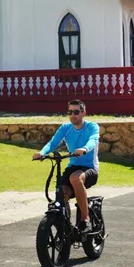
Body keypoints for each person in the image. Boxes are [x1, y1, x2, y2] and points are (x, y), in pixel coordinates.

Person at [32, 99, 100, 232]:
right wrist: (42, 153)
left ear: (84, 113)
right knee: (62, 192)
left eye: (76, 112)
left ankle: (85, 220)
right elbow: (53, 143)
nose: (73, 115)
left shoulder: (92, 127)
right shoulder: (65, 128)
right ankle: (66, 227)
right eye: (70, 112)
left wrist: (84, 148)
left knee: (75, 178)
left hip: (89, 168)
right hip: (72, 167)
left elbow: (93, 140)